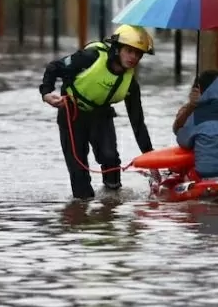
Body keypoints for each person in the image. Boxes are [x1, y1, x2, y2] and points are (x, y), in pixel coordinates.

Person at [40, 24, 155, 200]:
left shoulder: (131, 85)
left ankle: (111, 204)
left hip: (101, 116)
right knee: (79, 174)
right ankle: (82, 209)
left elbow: (137, 123)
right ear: (117, 49)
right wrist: (47, 94)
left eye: (138, 54)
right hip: (72, 115)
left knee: (110, 159)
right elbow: (53, 67)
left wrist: (151, 158)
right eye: (129, 51)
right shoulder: (90, 57)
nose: (134, 57)